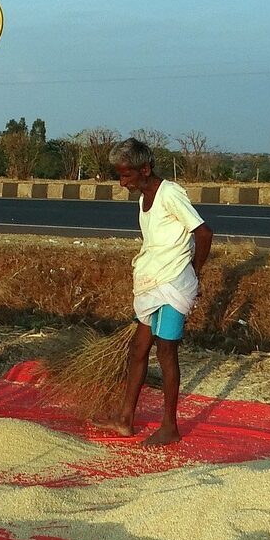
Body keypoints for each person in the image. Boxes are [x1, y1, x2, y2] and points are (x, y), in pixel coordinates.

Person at [104, 138, 213, 445]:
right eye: (120, 175)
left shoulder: (170, 194)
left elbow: (203, 233)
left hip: (173, 285)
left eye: (126, 175)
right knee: (137, 350)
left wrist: (194, 272)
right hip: (153, 284)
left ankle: (170, 426)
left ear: (145, 169)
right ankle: (126, 419)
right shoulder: (144, 199)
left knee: (166, 351)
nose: (122, 182)